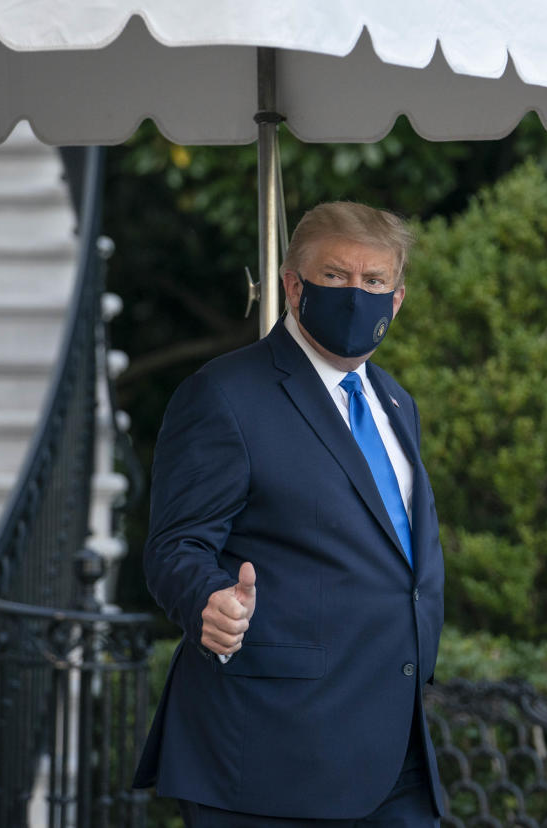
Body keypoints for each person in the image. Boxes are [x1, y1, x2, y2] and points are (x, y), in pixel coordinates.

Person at [133, 202, 445, 826]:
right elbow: (175, 547)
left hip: (393, 744)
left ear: (398, 298)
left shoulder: (394, 401)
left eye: (374, 281)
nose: (357, 294)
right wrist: (209, 602)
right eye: (335, 276)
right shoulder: (222, 395)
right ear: (292, 284)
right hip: (272, 756)